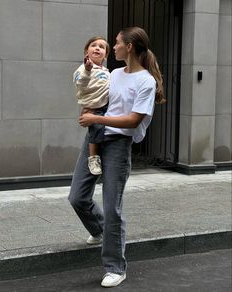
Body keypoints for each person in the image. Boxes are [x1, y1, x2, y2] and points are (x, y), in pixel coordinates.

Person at [68, 26, 165, 288]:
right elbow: (96, 95)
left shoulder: (145, 81)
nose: (113, 47)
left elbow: (133, 120)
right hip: (96, 137)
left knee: (113, 208)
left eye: (117, 43)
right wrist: (89, 106)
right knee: (77, 197)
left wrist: (96, 117)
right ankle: (100, 230)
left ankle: (115, 267)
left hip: (119, 145)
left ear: (129, 47)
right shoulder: (114, 74)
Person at [73, 36, 110, 175]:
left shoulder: (106, 72)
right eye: (93, 45)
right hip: (94, 107)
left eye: (101, 47)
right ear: (86, 52)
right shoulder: (82, 69)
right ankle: (93, 158)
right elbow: (80, 85)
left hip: (107, 105)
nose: (97, 48)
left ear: (105, 55)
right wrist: (87, 71)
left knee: (104, 131)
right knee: (96, 129)